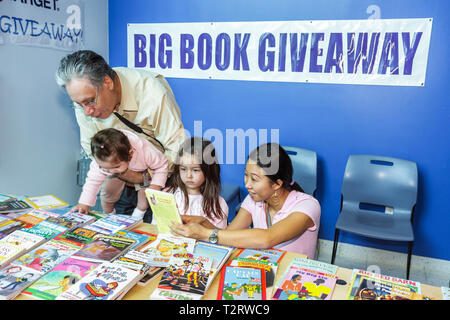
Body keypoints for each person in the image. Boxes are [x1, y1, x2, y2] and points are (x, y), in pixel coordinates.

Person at [55, 50, 186, 219]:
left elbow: (176, 147)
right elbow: (91, 148)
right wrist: (119, 170)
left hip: (159, 176)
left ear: (107, 82)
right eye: (79, 105)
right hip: (118, 175)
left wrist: (144, 178)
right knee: (119, 229)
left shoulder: (151, 91)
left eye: (90, 101)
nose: (87, 111)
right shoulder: (83, 101)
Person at [170, 143, 321, 259]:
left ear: (277, 184)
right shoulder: (253, 200)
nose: (247, 184)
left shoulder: (308, 206)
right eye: (246, 175)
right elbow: (227, 235)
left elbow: (267, 238)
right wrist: (204, 223)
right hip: (266, 270)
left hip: (294, 278)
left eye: (254, 179)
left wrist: (204, 234)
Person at [70, 128, 169, 220]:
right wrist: (84, 203)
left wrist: (156, 186)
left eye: (116, 166)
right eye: (105, 168)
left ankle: (138, 214)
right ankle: (111, 215)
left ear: (130, 154)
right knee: (107, 192)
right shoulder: (102, 162)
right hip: (122, 171)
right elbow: (92, 182)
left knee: (145, 195)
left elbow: (162, 165)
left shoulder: (146, 152)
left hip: (144, 172)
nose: (111, 171)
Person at [165, 137, 228, 229]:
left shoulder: (219, 205)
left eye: (195, 170)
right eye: (183, 169)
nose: (188, 175)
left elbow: (221, 237)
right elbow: (154, 226)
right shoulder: (168, 194)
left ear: (208, 170)